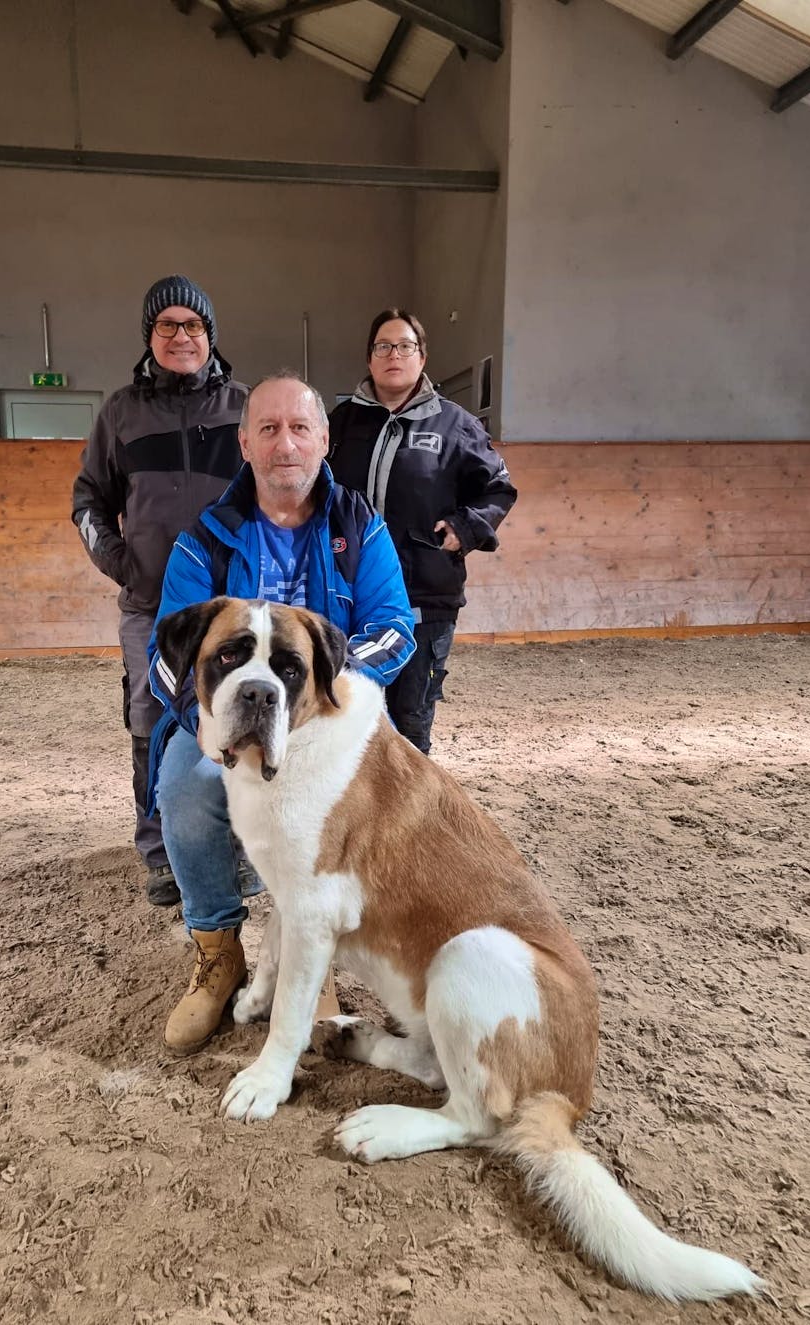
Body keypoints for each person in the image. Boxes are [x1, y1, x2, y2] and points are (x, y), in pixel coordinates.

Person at [147, 372, 416, 1053]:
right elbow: (164, 654)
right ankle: (218, 952)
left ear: (323, 440)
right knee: (184, 787)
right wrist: (205, 719)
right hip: (227, 717)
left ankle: (311, 953)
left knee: (366, 799)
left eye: (299, 428)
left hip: (323, 715)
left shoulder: (360, 527)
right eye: (267, 429)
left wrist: (322, 702)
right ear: (245, 444)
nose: (284, 444)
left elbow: (394, 627)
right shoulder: (204, 539)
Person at [72, 275, 253, 908]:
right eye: (167, 325)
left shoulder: (242, 407)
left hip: (233, 606)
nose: (181, 336)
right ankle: (160, 852)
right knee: (151, 719)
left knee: (239, 714)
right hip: (150, 606)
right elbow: (88, 502)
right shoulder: (120, 412)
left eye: (192, 325)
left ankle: (239, 846)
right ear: (149, 336)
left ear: (210, 335)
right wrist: (124, 564)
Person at [328, 308, 517, 755]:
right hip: (346, 595)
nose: (394, 355)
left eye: (405, 346)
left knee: (410, 725)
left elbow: (498, 489)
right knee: (343, 719)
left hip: (424, 601)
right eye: (383, 346)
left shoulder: (455, 425)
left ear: (422, 357)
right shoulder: (340, 423)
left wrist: (465, 528)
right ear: (369, 358)